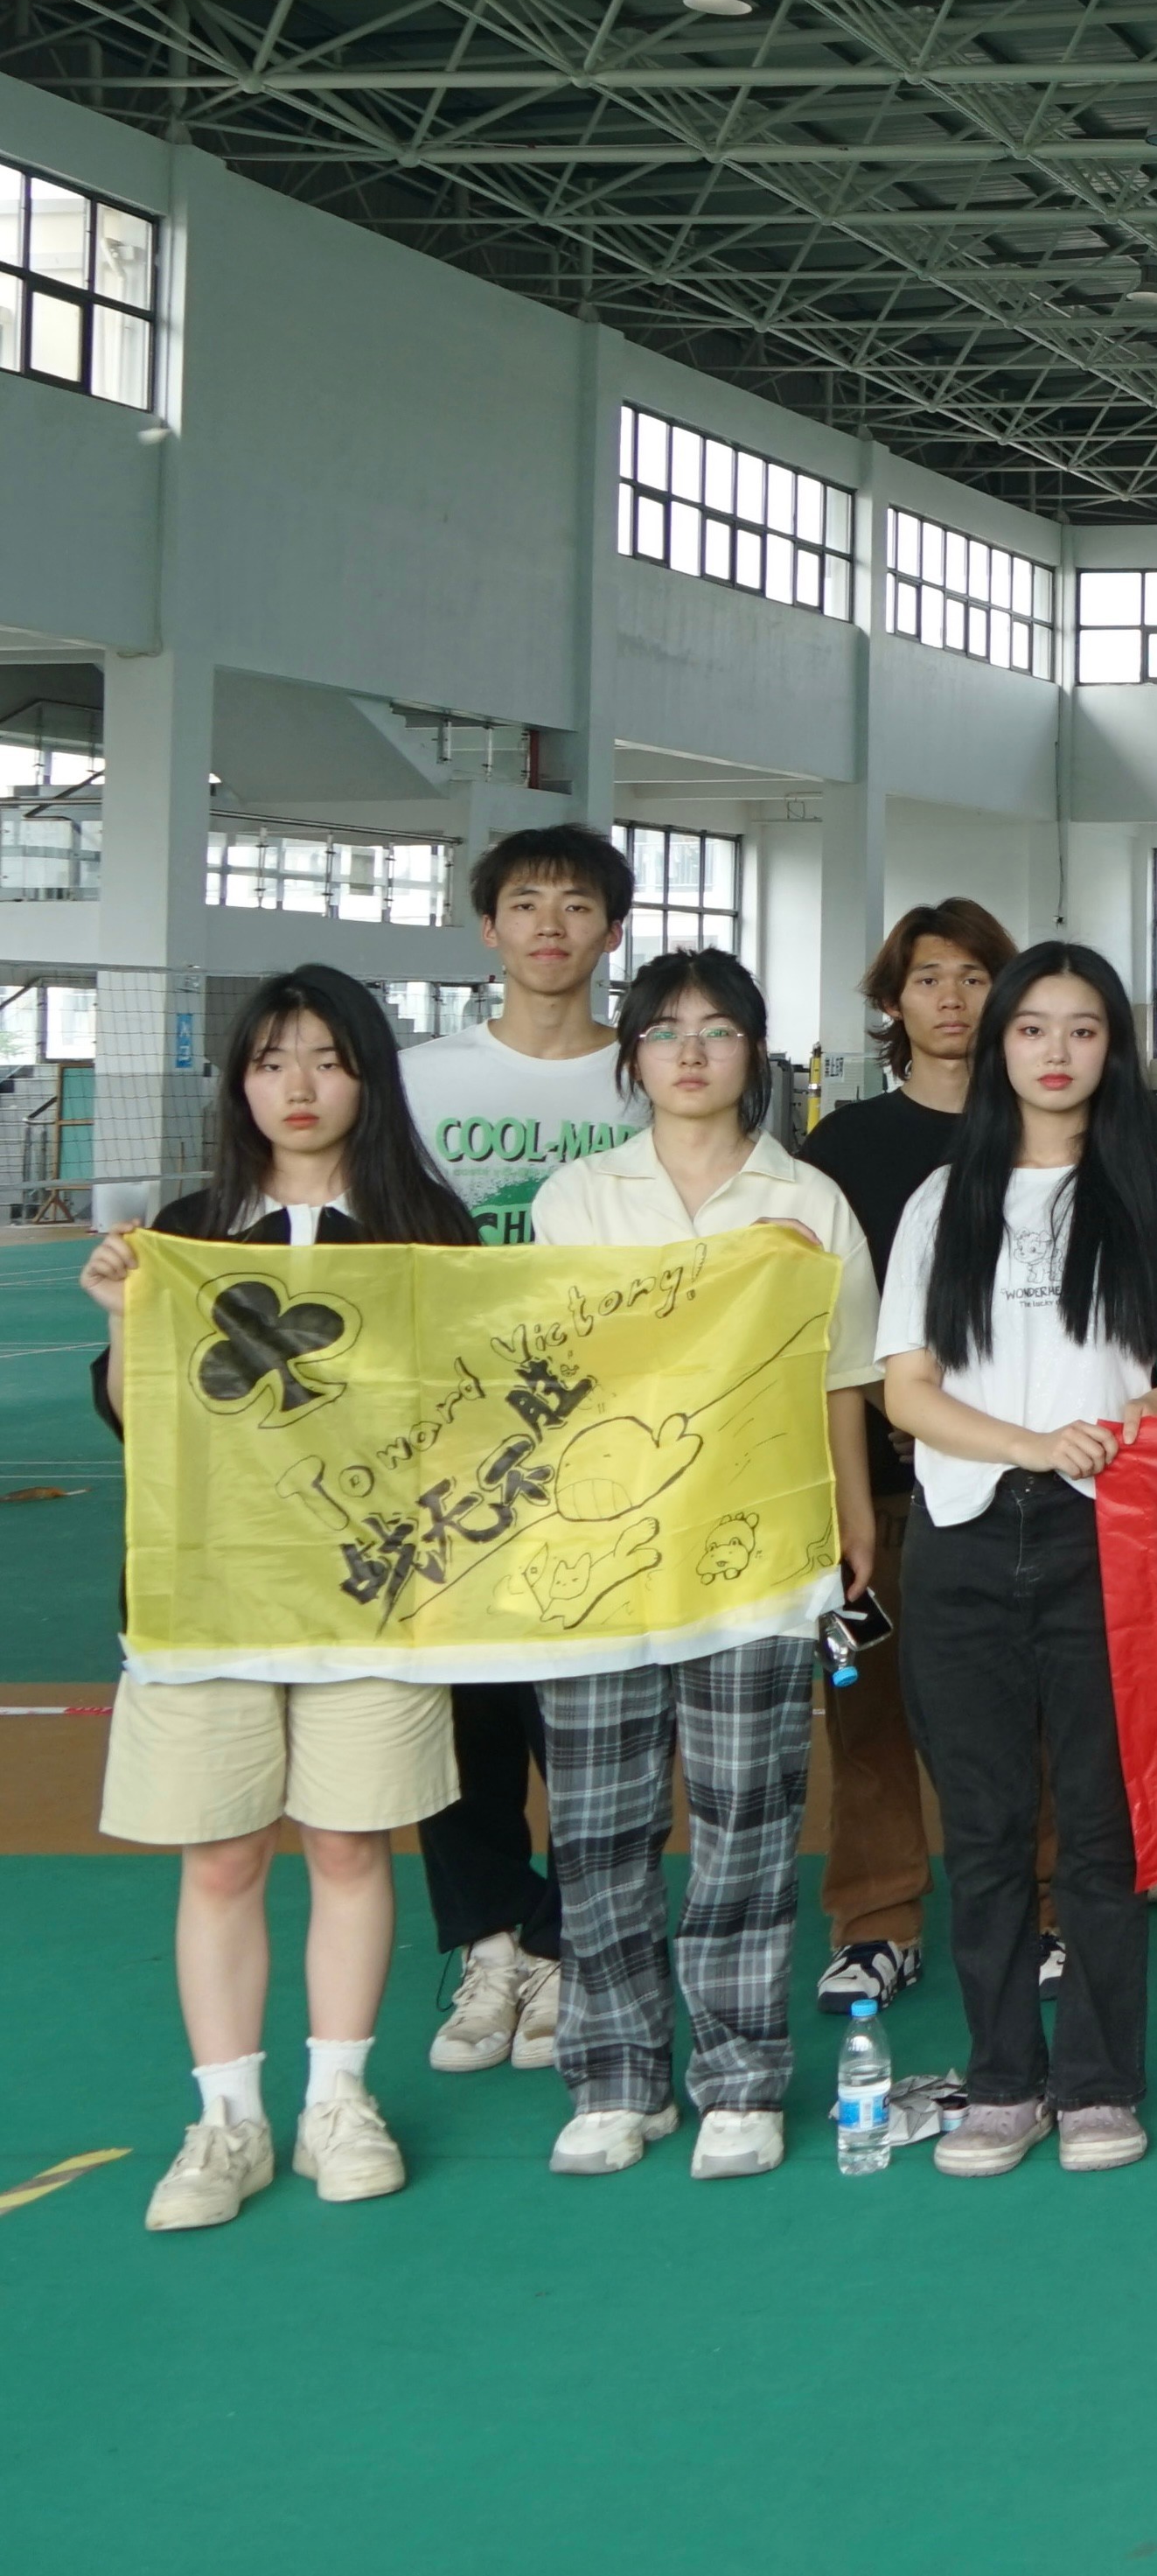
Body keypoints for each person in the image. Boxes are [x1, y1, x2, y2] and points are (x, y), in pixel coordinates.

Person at [84, 971, 481, 2233]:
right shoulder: (186, 1233)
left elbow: (470, 1410)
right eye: (269, 1061)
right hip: (210, 1592)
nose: (297, 1086)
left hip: (373, 1594)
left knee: (353, 1844)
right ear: (238, 1085)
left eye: (325, 1058)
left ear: (369, 1075)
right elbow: (140, 1422)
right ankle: (227, 2118)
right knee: (221, 1853)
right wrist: (125, 1320)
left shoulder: (428, 1231)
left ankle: (336, 2100)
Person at [521, 949, 884, 2181]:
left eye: (717, 1029)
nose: (690, 1051)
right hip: (601, 1559)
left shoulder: (811, 1200)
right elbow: (564, 1371)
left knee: (748, 1814)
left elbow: (840, 1374)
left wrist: (850, 1514)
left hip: (758, 1548)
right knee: (600, 1824)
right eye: (665, 1029)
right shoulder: (576, 1199)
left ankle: (739, 2077)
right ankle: (615, 2078)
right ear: (632, 1056)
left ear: (753, 1053)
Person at [876, 941, 1157, 2180]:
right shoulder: (942, 1200)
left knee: (1100, 1826)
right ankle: (1000, 2081)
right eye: (1033, 1027)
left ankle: (1097, 2082)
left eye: (1084, 1028)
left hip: (1103, 1534)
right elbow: (907, 1391)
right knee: (982, 1827)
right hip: (965, 1531)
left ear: (1113, 1047)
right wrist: (1029, 1442)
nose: (1058, 1051)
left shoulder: (1155, 1192)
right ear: (1000, 1045)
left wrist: (1147, 1415)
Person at [396, 822, 644, 2077]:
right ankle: (492, 1944)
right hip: (450, 1444)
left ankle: (576, 1942)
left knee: (594, 1714)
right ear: (488, 927)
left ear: (612, 930)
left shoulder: (647, 1075)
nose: (553, 924)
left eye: (579, 903)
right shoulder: (417, 1080)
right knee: (463, 1712)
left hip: (608, 1443)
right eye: (528, 902)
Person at [795, 897, 1017, 2017]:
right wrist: (873, 1446)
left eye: (975, 975)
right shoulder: (840, 1151)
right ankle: (876, 1918)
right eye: (929, 977)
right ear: (893, 1000)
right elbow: (820, 1324)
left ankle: (1047, 1906)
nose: (952, 998)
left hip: (1017, 1484)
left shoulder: (1047, 1134)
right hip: (870, 1490)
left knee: (1029, 1706)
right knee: (864, 1704)